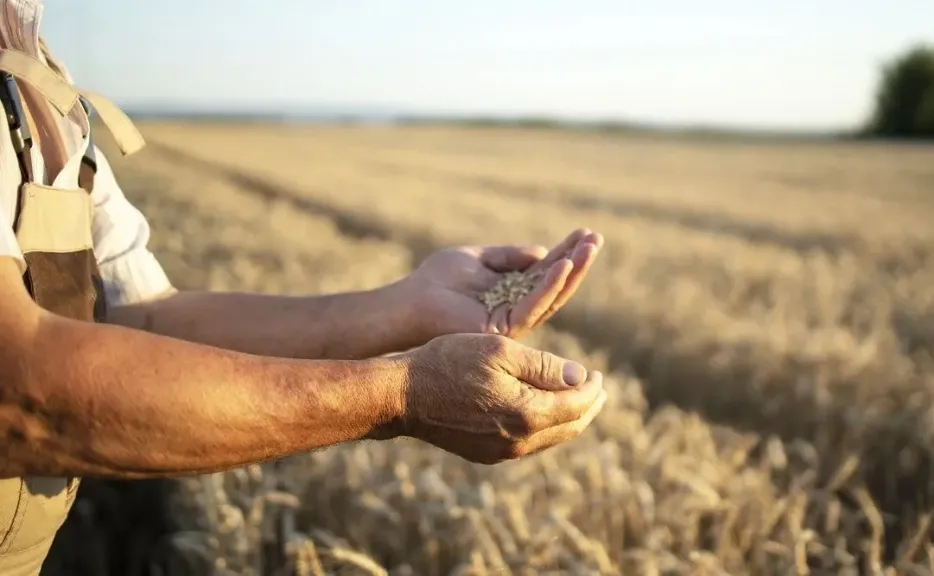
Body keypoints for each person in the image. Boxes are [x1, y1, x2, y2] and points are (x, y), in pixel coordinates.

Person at [0, 2, 607, 574]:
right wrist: (403, 394)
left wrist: (405, 307)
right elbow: (21, 388)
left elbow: (142, 317)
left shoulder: (37, 71)